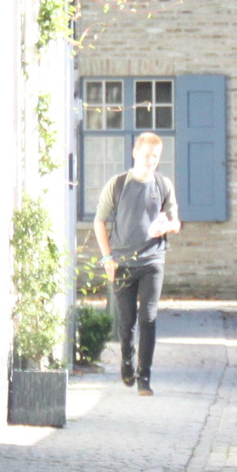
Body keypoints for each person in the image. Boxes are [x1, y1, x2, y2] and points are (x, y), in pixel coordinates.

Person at [94, 132, 179, 395]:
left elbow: (176, 221)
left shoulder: (163, 185)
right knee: (127, 319)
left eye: (155, 156)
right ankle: (127, 361)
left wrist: (167, 227)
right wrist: (107, 258)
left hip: (153, 259)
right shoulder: (118, 184)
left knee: (148, 318)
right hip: (122, 261)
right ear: (135, 153)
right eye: (146, 155)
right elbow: (99, 221)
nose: (150, 161)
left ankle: (145, 377)